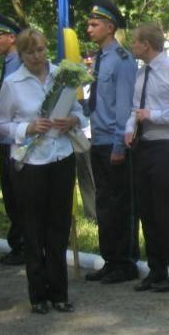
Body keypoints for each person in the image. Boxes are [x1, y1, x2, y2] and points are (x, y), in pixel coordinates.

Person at [0, 29, 87, 313]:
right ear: (21, 54)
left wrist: (72, 120)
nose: (37, 57)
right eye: (30, 52)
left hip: (61, 157)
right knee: (34, 228)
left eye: (41, 50)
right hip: (30, 162)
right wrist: (28, 128)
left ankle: (59, 292)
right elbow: (0, 125)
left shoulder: (63, 76)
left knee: (58, 226)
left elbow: (80, 112)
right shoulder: (13, 83)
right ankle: (38, 296)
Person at [124, 24, 169, 292]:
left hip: (168, 147)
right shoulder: (142, 72)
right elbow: (135, 109)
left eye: (135, 41)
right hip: (143, 147)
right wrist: (129, 128)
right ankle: (157, 270)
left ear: (146, 44)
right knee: (147, 211)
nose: (132, 46)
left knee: (165, 211)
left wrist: (154, 115)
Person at [84, 0, 139, 284]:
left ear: (109, 27)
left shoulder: (121, 60)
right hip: (97, 140)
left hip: (114, 143)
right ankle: (111, 259)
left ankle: (125, 261)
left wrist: (119, 144)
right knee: (104, 203)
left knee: (120, 203)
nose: (89, 29)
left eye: (94, 25)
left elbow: (124, 107)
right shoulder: (99, 59)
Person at [0, 13, 24, 265]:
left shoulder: (19, 64)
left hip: (16, 140)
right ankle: (18, 243)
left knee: (19, 195)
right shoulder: (9, 63)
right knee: (11, 195)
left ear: (11, 37)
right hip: (5, 139)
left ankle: (23, 244)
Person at [76, 51, 97, 220]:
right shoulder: (76, 87)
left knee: (96, 175)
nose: (88, 69)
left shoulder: (98, 86)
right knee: (84, 176)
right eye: (86, 65)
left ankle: (100, 209)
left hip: (95, 134)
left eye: (91, 65)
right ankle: (91, 212)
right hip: (80, 135)